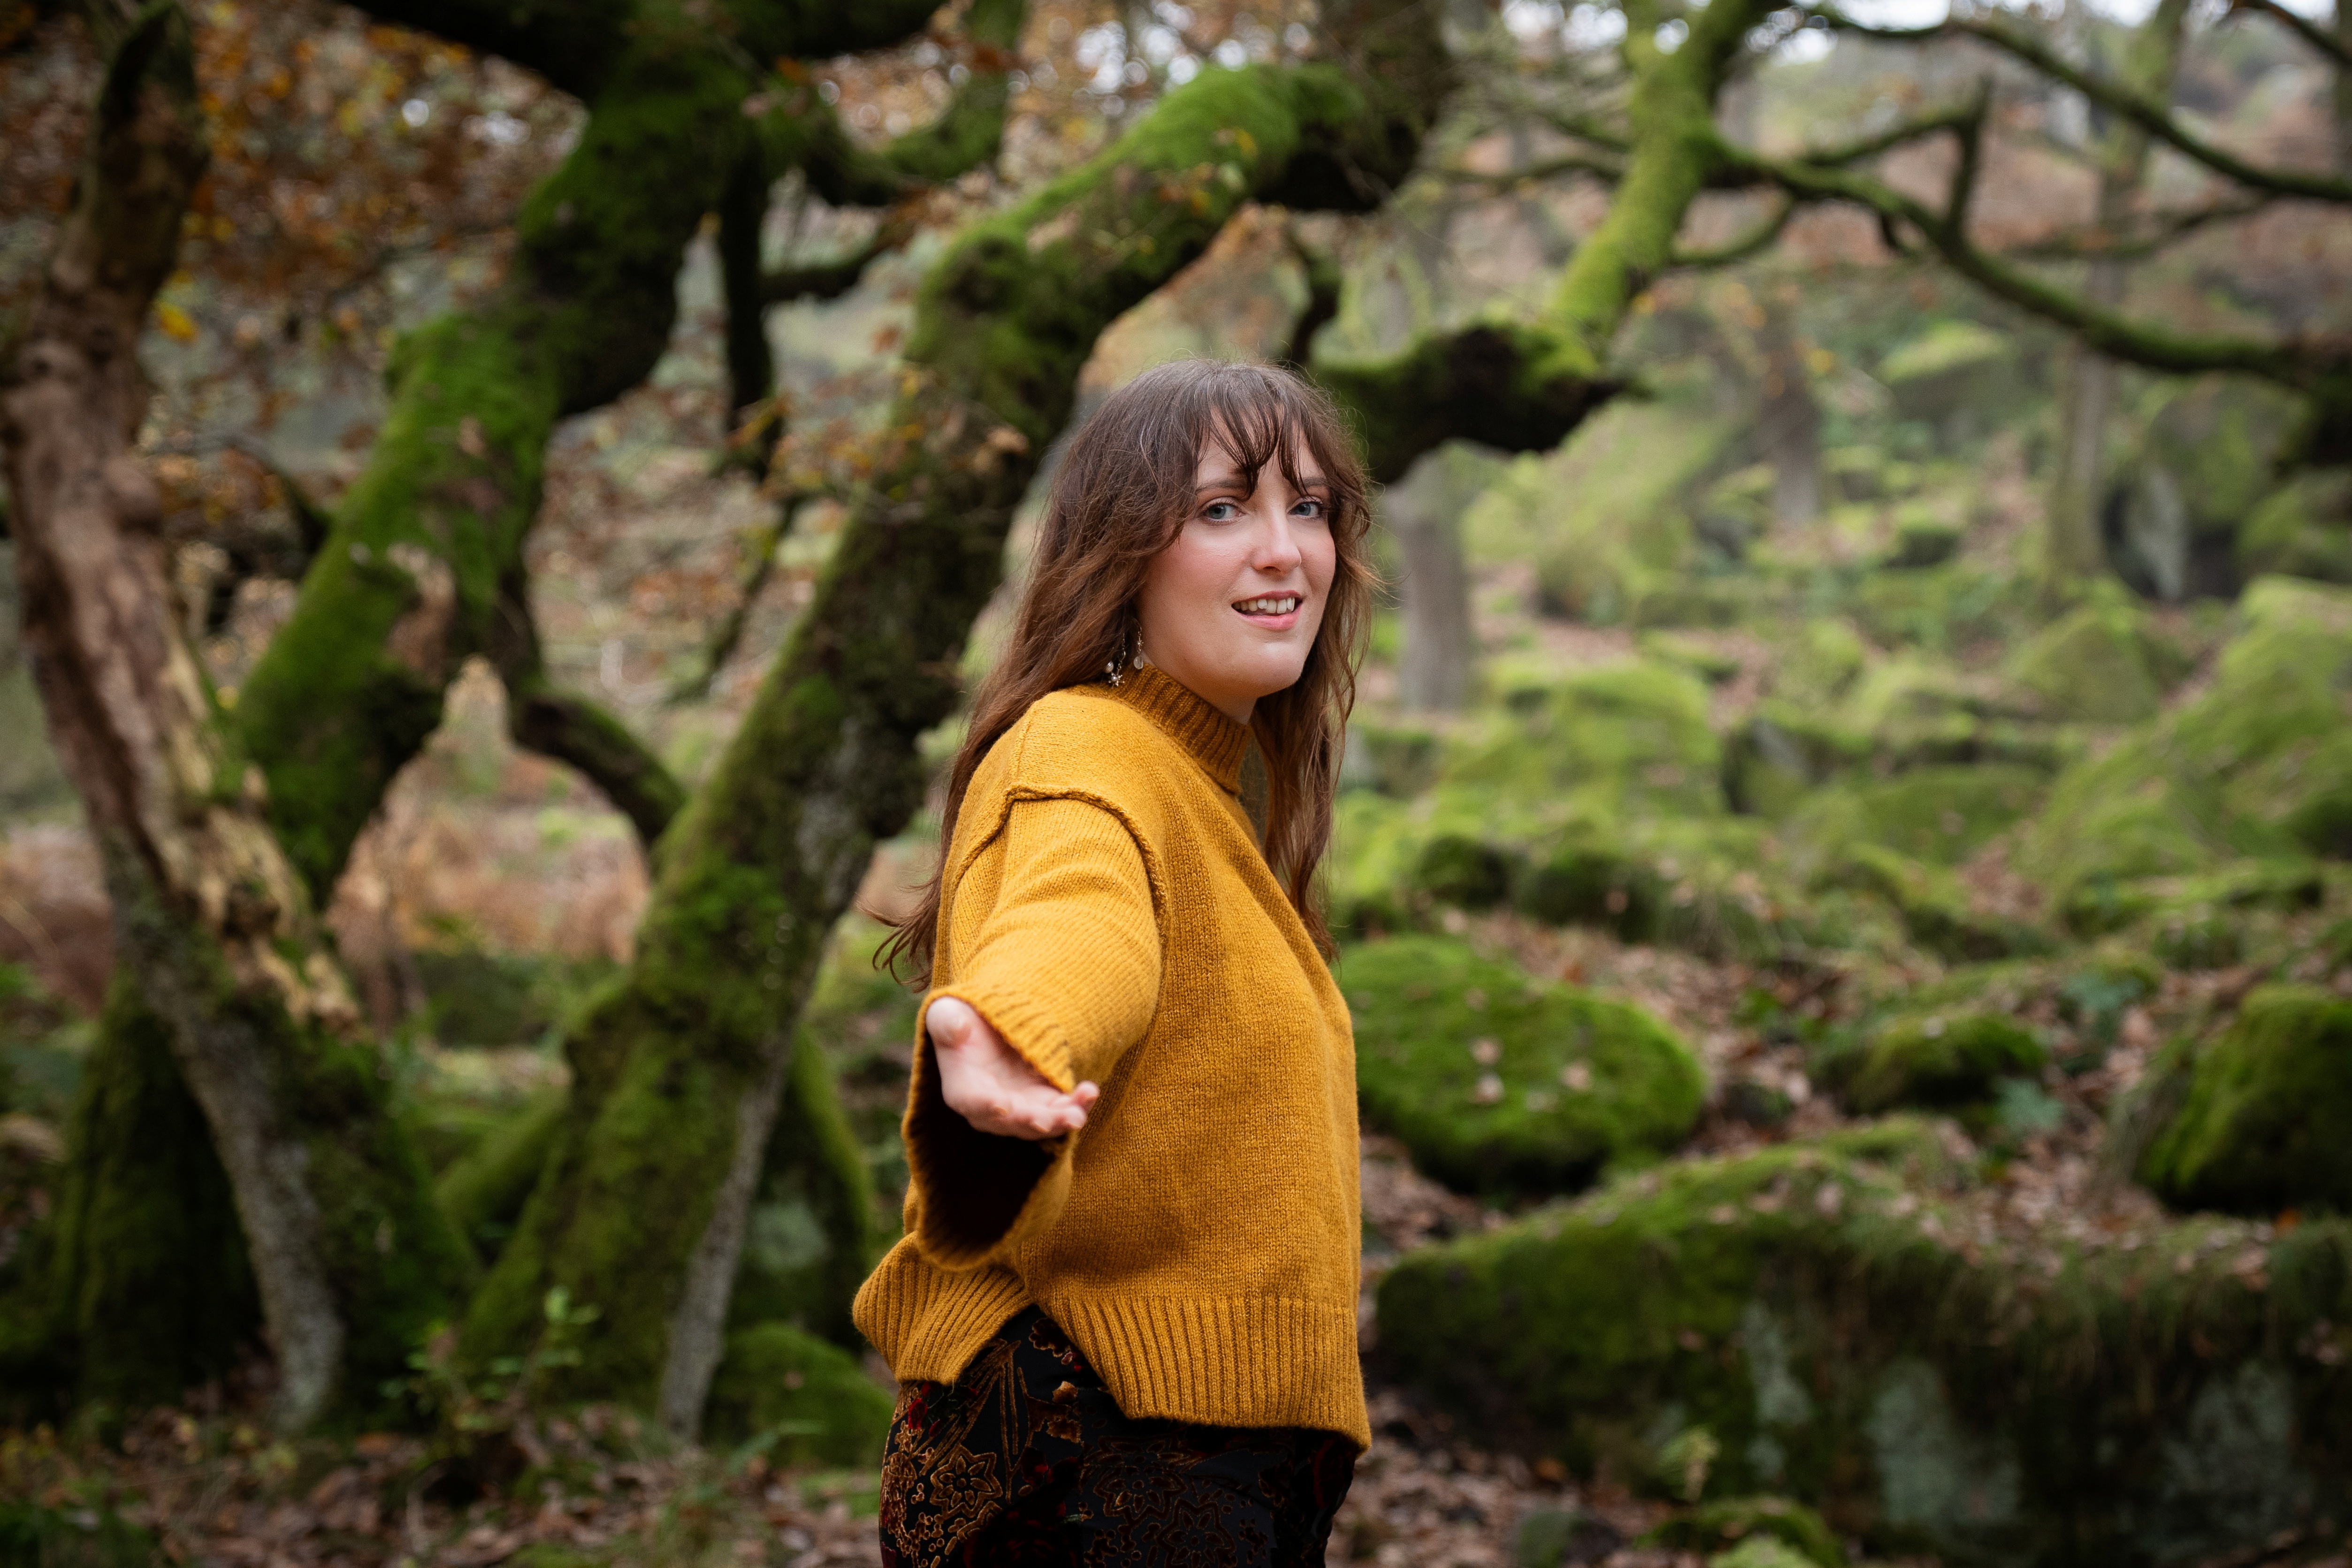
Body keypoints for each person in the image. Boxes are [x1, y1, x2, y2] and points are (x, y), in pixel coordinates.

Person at [855, 358, 1376, 1566]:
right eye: (1220, 509)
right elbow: (1077, 922)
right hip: (1086, 1450)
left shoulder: (1197, 792)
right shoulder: (1084, 754)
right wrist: (1011, 1033)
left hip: (1171, 1470)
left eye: (1309, 508)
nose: (1283, 550)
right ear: (1120, 551)